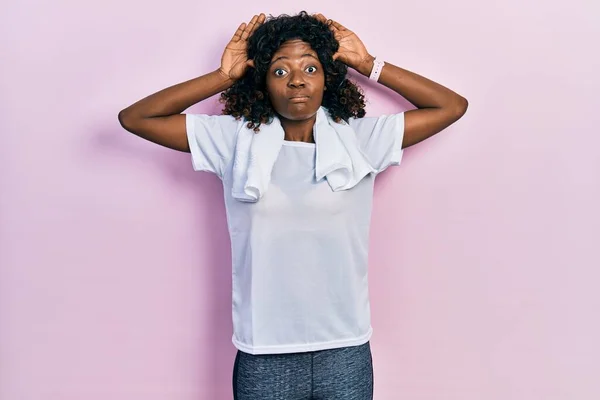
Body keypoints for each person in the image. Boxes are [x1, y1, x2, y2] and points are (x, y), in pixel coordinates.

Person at [118, 11, 467, 400]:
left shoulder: (360, 140)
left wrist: (369, 65)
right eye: (280, 71)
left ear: (327, 78)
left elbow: (451, 106)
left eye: (310, 68)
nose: (297, 79)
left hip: (345, 347)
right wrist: (222, 76)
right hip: (265, 351)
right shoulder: (234, 141)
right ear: (262, 81)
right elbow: (135, 118)